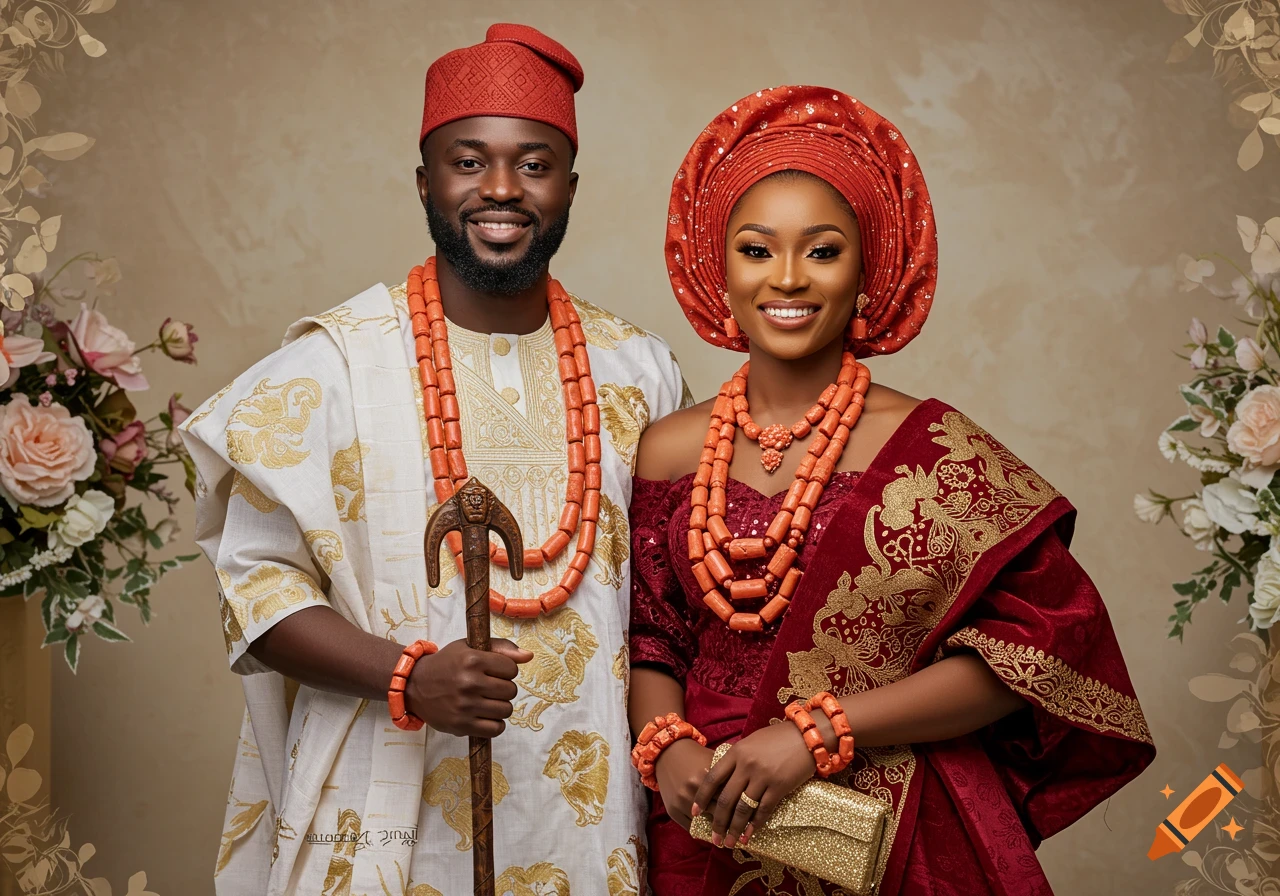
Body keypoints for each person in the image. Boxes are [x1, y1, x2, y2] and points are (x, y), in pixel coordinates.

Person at [182, 24, 688, 895]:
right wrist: (405, 677)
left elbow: (674, 606)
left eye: (534, 163)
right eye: (468, 161)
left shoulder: (639, 372)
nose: (501, 188)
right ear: (425, 181)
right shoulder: (331, 367)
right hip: (387, 811)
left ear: (570, 186)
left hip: (594, 823)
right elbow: (257, 589)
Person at [627, 86, 1155, 896]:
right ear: (716, 267)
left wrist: (817, 733)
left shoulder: (936, 451)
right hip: (704, 823)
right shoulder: (667, 450)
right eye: (757, 249)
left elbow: (1032, 655)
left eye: (825, 250)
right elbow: (654, 638)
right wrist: (668, 751)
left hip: (887, 827)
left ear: (869, 269)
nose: (789, 279)